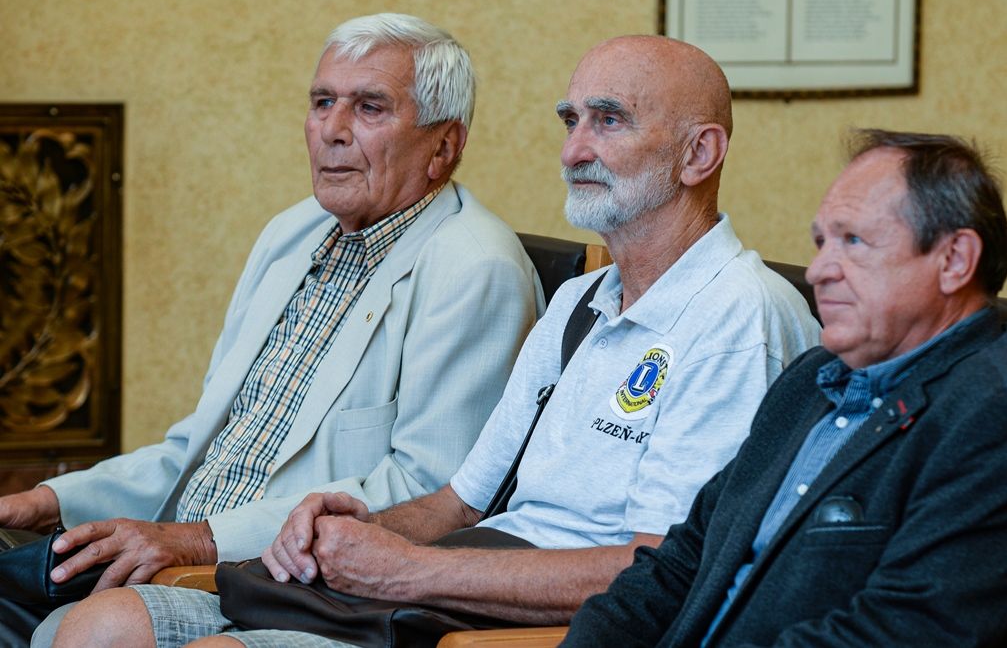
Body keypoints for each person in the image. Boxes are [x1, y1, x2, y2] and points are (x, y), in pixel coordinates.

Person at [49, 35, 820, 648]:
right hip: (453, 585)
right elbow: (459, 501)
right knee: (103, 625)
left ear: (698, 154)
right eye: (570, 120)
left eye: (609, 120)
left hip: (518, 624)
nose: (574, 150)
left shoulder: (738, 319)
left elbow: (662, 571)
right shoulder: (582, 299)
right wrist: (350, 528)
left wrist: (409, 571)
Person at [0, 12, 544, 647]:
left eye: (369, 107)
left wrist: (195, 542)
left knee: (91, 631)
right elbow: (196, 449)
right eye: (322, 102)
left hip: (294, 591)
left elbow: (429, 496)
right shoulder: (291, 233)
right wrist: (50, 500)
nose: (332, 130)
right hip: (184, 561)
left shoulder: (476, 269)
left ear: (444, 147)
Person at [561, 130, 1007, 647]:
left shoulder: (999, 417)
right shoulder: (811, 379)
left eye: (853, 241)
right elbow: (681, 561)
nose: (820, 270)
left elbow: (904, 632)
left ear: (955, 260)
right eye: (822, 243)